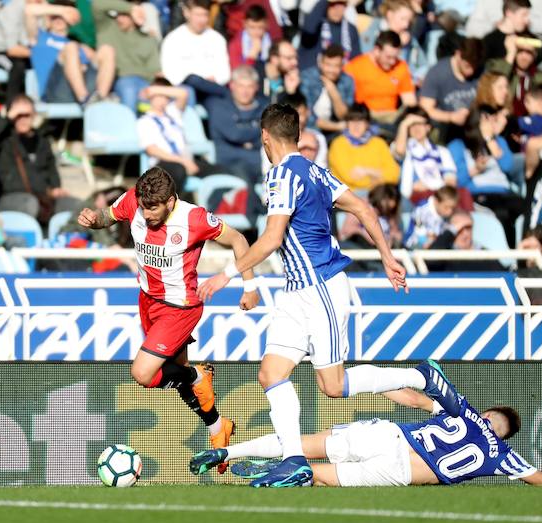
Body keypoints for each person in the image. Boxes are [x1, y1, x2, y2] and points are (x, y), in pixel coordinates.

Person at [198, 103, 462, 488]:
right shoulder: (316, 171)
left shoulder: (281, 175)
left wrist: (226, 274)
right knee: (271, 373)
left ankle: (420, 375)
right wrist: (387, 257)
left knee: (333, 386)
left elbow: (272, 238)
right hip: (296, 290)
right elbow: (364, 208)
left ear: (265, 137)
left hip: (319, 285)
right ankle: (294, 461)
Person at [77, 166, 259, 473]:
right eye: (143, 208)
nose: (147, 215)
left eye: (153, 209)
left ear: (170, 201)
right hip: (148, 300)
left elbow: (239, 240)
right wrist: (95, 219)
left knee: (144, 373)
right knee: (179, 376)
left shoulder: (194, 219)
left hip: (180, 307)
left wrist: (250, 286)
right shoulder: (134, 201)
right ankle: (218, 427)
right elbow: (109, 216)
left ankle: (198, 376)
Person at [191, 365, 542, 488]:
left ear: (489, 414)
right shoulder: (501, 454)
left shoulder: (465, 414)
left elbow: (413, 398)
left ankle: (227, 451)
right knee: (316, 476)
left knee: (303, 443)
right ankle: (279, 472)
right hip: (400, 473)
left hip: (392, 437)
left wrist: (373, 382)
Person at [0, 94, 73, 222]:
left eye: (27, 115)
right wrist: (7, 118)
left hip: (42, 197)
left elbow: (51, 168)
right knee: (31, 203)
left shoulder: (42, 141)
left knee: (73, 205)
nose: (23, 119)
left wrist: (56, 187)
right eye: (18, 115)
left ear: (34, 115)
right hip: (12, 198)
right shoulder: (4, 140)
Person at [447, 104, 524, 247]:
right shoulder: (458, 145)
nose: (494, 124)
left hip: (504, 192)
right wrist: (476, 169)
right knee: (502, 215)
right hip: (479, 194)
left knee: (525, 209)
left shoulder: (498, 142)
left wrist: (489, 140)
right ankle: (510, 256)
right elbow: (457, 181)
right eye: (490, 120)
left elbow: (508, 166)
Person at [137, 78, 224, 194]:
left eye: (165, 96)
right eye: (158, 96)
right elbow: (152, 149)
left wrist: (154, 89)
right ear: (151, 97)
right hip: (164, 162)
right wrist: (182, 161)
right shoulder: (144, 121)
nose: (162, 100)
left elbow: (183, 94)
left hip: (185, 160)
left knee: (221, 171)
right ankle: (173, 204)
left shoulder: (173, 113)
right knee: (178, 171)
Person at [28, 0, 116, 106]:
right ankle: (84, 99)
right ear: (48, 18)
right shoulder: (39, 38)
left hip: (84, 87)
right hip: (55, 92)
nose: (59, 19)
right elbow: (29, 10)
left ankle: (100, 99)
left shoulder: (79, 46)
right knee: (71, 47)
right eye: (54, 16)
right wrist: (62, 11)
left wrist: (82, 66)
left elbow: (101, 65)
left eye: (63, 17)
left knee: (107, 50)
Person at [207, 65, 266, 191]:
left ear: (256, 87)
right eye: (241, 86)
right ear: (232, 86)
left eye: (249, 86)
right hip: (231, 164)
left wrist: (251, 142)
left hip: (260, 161)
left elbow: (270, 134)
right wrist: (258, 133)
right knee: (245, 187)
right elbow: (235, 134)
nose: (245, 91)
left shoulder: (264, 107)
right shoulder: (219, 106)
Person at [343, 30, 417, 124]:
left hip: (391, 117)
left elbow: (409, 101)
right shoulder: (354, 67)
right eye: (388, 57)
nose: (392, 62)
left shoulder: (401, 66)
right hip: (365, 117)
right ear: (377, 50)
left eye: (395, 57)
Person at [160, 0, 231, 97]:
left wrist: (216, 79)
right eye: (198, 15)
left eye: (205, 15)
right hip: (185, 91)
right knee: (193, 80)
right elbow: (170, 73)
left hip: (212, 90)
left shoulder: (217, 39)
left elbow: (225, 72)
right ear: (186, 13)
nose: (202, 20)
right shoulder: (173, 39)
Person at [327, 103, 400, 193]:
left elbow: (394, 174)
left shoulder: (378, 143)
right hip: (350, 194)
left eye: (360, 121)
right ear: (347, 123)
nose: (356, 126)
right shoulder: (338, 144)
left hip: (377, 193)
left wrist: (367, 171)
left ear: (367, 124)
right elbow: (350, 177)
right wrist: (379, 176)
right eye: (352, 121)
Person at [393, 106, 457, 203]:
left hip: (441, 196)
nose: (416, 128)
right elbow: (399, 151)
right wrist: (404, 124)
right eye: (411, 124)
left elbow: (451, 180)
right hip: (415, 198)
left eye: (419, 124)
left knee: (462, 194)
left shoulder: (442, 151)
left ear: (428, 127)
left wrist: (435, 188)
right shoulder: (403, 147)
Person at [419, 37, 484, 133]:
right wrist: (451, 117)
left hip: (476, 127)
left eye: (475, 66)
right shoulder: (437, 73)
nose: (471, 71)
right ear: (458, 54)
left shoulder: (481, 72)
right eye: (467, 66)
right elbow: (426, 109)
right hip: (445, 129)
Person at [299, 44, 354, 136]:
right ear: (321, 63)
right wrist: (337, 126)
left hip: (336, 133)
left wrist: (334, 92)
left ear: (342, 66)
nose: (332, 70)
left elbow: (344, 116)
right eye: (328, 65)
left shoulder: (347, 80)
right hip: (309, 129)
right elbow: (308, 116)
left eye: (336, 66)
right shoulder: (307, 77)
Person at [297, 0, 361, 70]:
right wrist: (324, 2)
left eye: (341, 5)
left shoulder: (351, 29)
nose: (337, 10)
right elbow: (309, 29)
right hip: (313, 73)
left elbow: (356, 58)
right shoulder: (316, 24)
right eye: (333, 5)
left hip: (340, 73)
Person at [404, 185, 459, 249]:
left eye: (452, 208)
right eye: (446, 207)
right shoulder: (422, 208)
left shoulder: (445, 215)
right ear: (436, 201)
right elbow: (418, 227)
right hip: (413, 245)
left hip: (434, 246)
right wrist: (427, 237)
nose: (450, 212)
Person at [227, 5, 272, 71]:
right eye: (252, 27)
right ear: (244, 24)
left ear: (266, 25)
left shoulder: (272, 42)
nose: (256, 32)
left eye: (260, 27)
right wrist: (252, 57)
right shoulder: (235, 44)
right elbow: (237, 72)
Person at [261, 39, 301, 104]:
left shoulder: (293, 80)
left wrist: (291, 93)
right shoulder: (255, 75)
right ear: (274, 59)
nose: (295, 62)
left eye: (295, 58)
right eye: (289, 58)